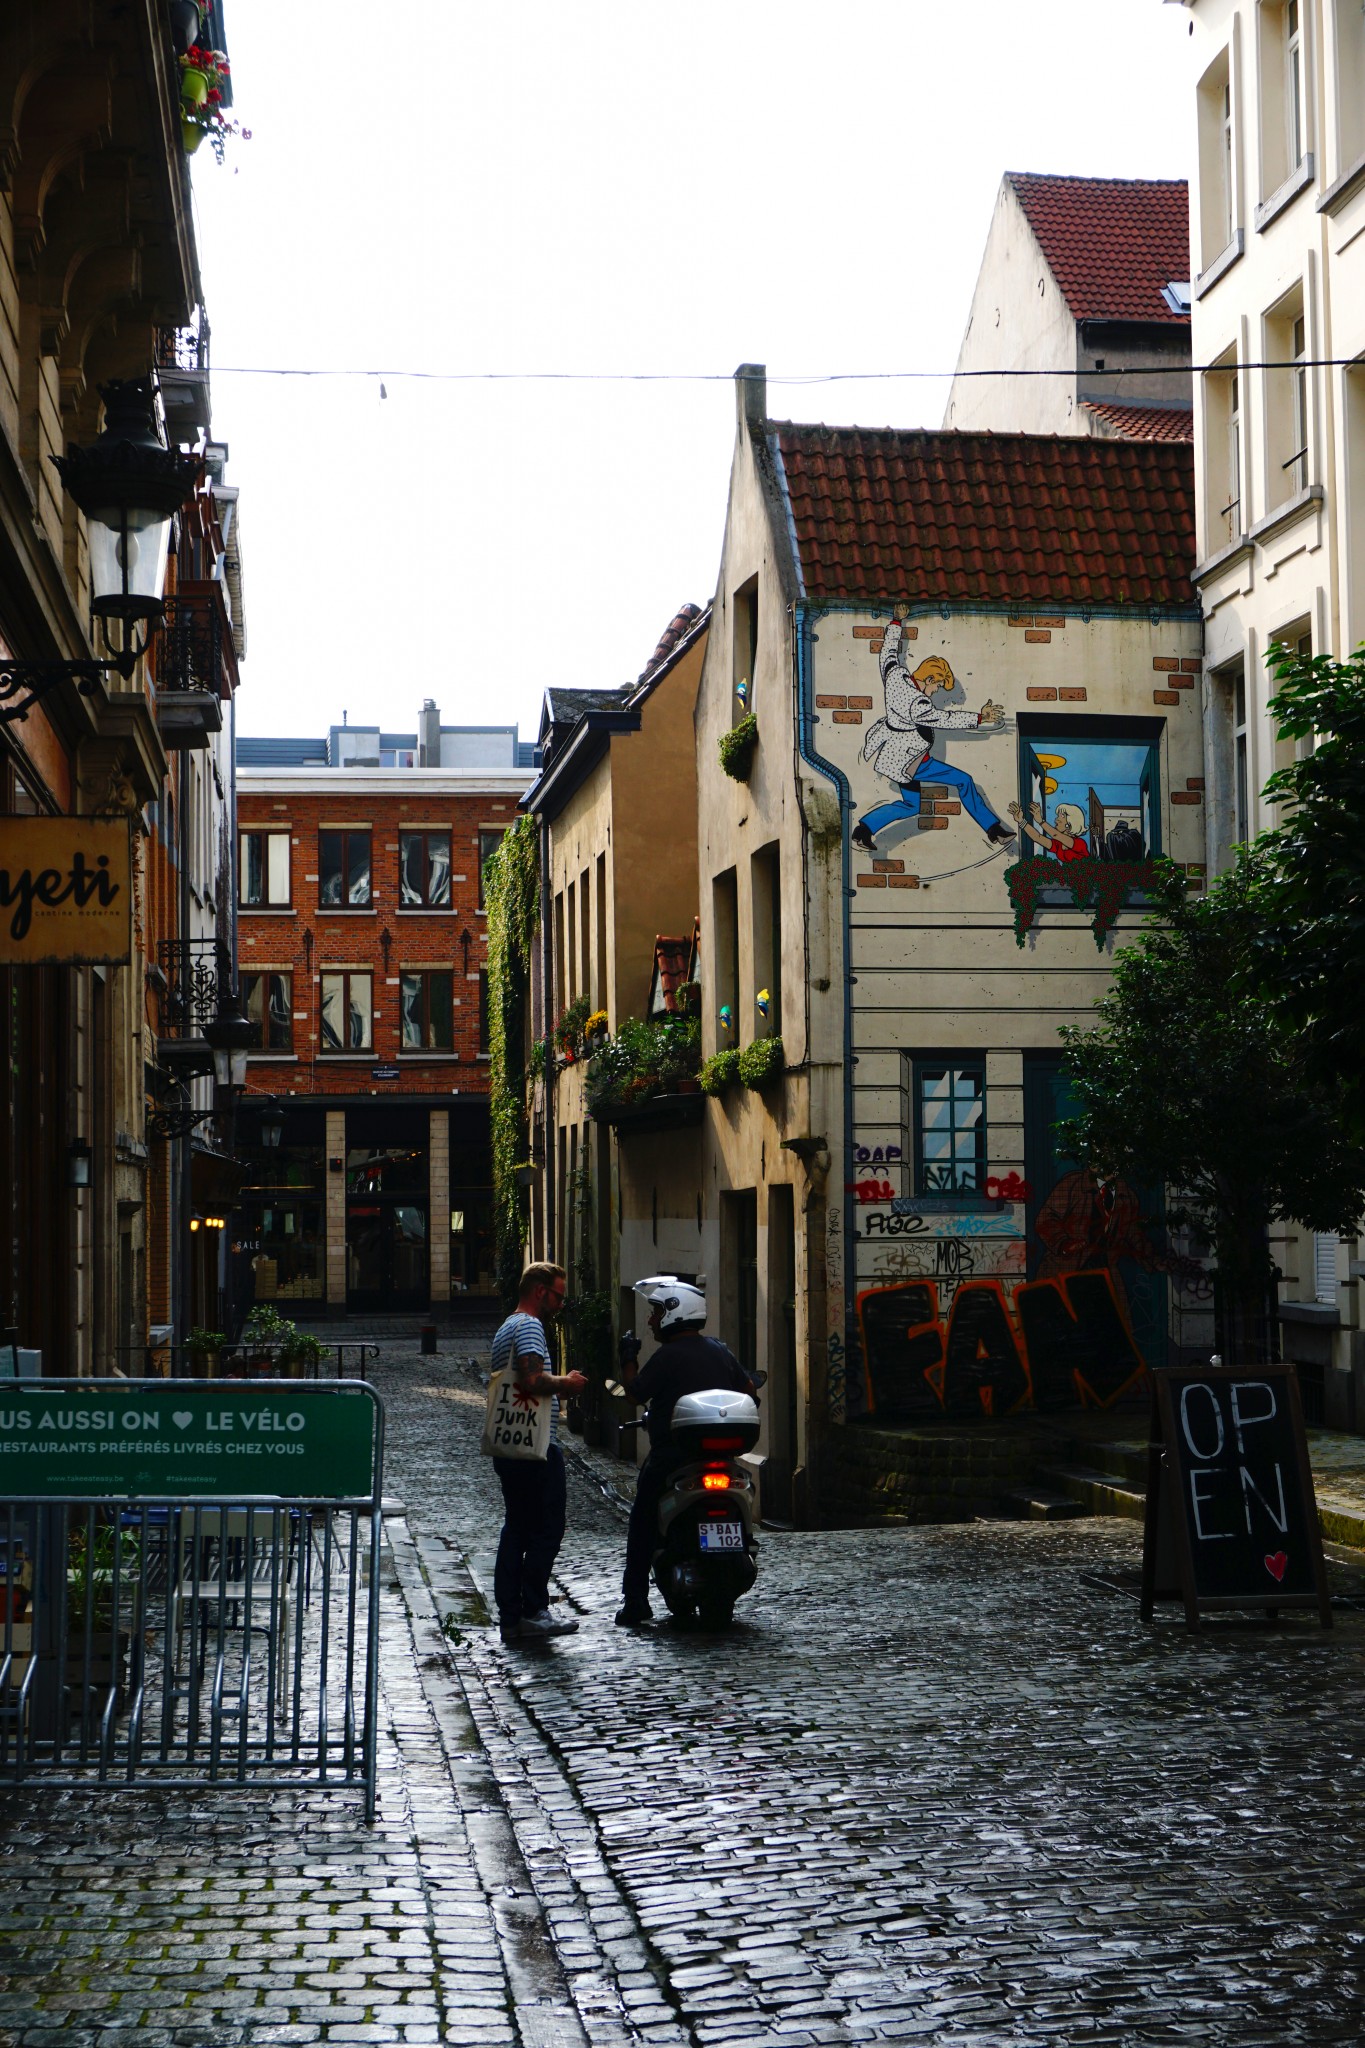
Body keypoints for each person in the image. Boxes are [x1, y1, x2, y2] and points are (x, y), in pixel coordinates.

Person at [615, 1275, 754, 1628]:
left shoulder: (667, 1356)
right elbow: (750, 1391)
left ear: (674, 1312)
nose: (651, 1320)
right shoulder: (720, 1350)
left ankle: (635, 1601)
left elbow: (634, 1393)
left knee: (642, 1521)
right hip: (723, 1460)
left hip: (673, 1458)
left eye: (656, 1312)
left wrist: (628, 1357)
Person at [851, 619, 1015, 851]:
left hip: (898, 757)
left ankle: (863, 830)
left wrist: (896, 623)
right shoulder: (917, 703)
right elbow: (945, 719)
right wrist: (980, 718)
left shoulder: (896, 676)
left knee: (911, 805)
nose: (936, 691)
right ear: (928, 680)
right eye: (937, 686)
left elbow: (887, 655)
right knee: (964, 780)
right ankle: (994, 830)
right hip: (913, 762)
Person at [490, 1261, 587, 1644]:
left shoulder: (506, 1326)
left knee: (516, 1527)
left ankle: (511, 1616)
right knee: (547, 1528)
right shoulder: (529, 1326)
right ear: (540, 1291)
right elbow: (532, 1379)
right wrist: (567, 1383)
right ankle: (533, 1609)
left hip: (510, 1445)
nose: (560, 1304)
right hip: (536, 1446)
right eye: (558, 1296)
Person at [1007, 799, 1089, 862]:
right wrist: (1021, 821)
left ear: (1070, 822)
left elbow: (1055, 835)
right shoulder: (1058, 845)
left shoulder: (1080, 844)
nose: (1056, 820)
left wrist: (1040, 821)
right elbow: (1037, 837)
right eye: (1057, 816)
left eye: (1061, 816)